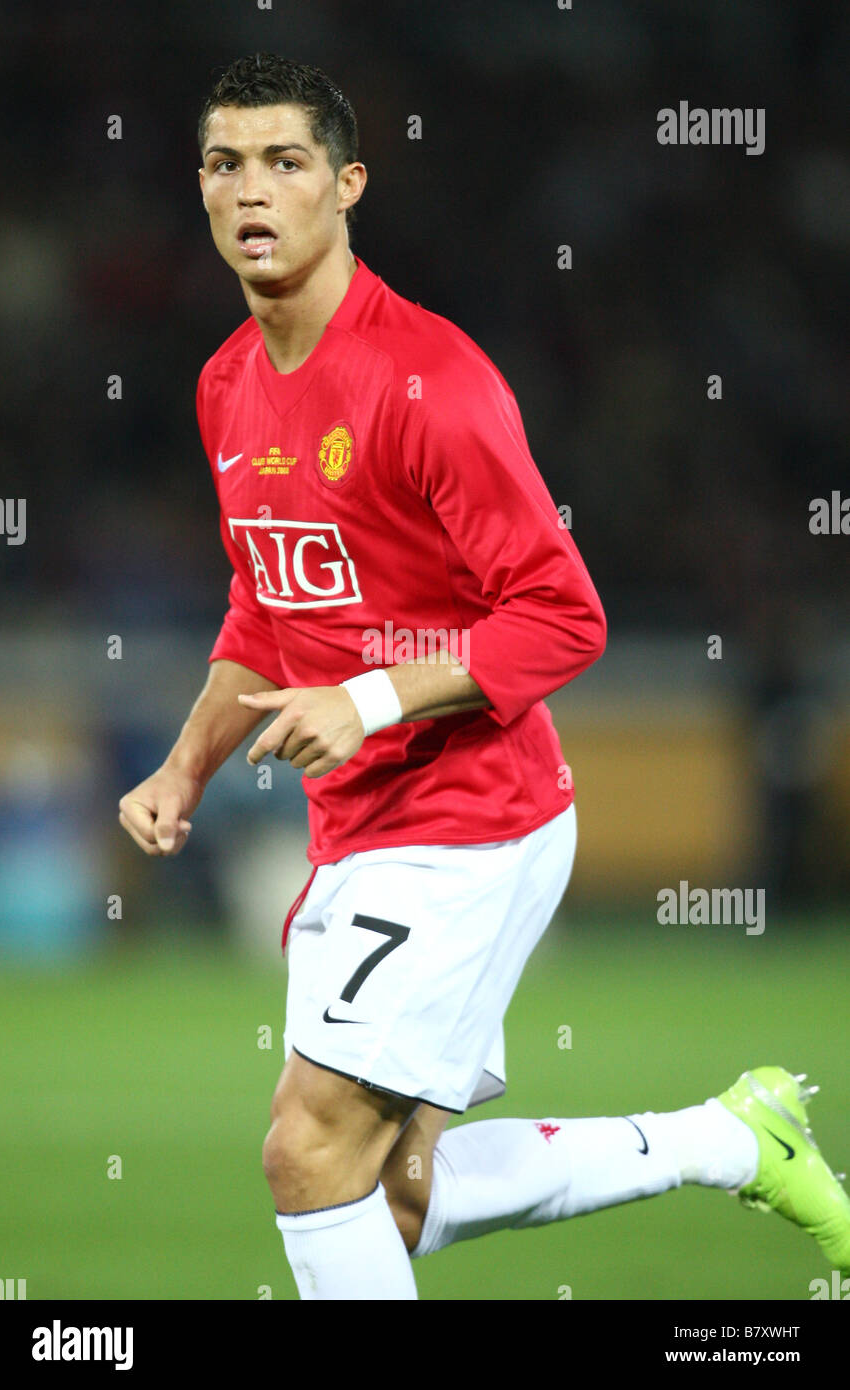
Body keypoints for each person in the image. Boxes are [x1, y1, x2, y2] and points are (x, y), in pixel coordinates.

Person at [119, 52, 850, 1300]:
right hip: (358, 830)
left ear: (346, 184)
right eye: (225, 163)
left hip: (473, 819)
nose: (253, 190)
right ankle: (734, 1137)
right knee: (386, 1204)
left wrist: (371, 697)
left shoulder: (432, 382)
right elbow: (265, 600)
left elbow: (565, 618)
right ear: (198, 187)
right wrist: (184, 762)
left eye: (286, 162)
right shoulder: (225, 385)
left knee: (304, 1153)